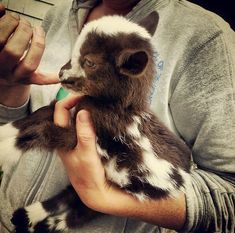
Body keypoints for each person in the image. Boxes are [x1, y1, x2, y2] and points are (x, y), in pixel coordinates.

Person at [0, 0, 234, 232]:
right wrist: (9, 84)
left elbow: (228, 197)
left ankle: (57, 220)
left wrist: (104, 196)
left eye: (89, 63)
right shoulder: (57, 15)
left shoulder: (205, 39)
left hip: (129, 174)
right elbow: (26, 111)